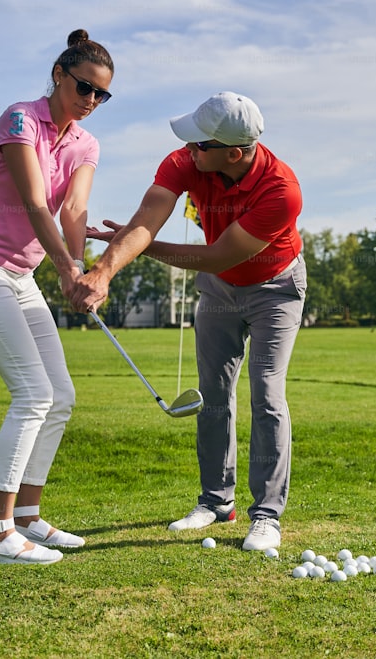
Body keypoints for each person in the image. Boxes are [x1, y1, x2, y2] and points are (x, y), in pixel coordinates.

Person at [72, 92, 305, 552]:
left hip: (273, 289)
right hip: (218, 290)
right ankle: (217, 501)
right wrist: (103, 270)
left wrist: (141, 246)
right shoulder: (187, 160)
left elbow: (217, 256)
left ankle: (267, 515)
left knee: (266, 393)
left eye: (200, 145)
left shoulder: (282, 191)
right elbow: (147, 219)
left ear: (233, 153)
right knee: (213, 393)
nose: (189, 150)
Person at [0, 29, 114, 564]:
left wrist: (84, 273)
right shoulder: (19, 118)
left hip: (20, 277)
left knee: (60, 396)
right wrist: (67, 273)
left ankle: (27, 518)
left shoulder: (86, 143)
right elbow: (37, 204)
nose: (90, 101)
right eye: (84, 87)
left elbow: (72, 214)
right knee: (32, 393)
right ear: (60, 75)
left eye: (101, 95)